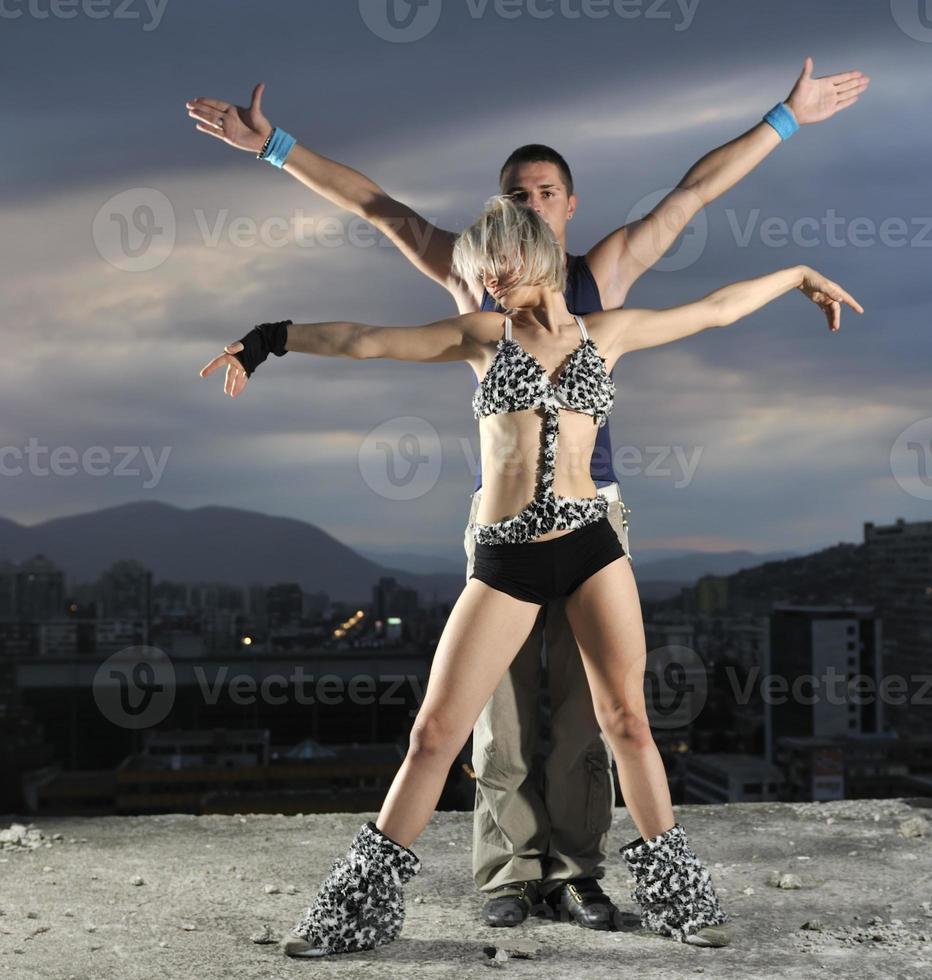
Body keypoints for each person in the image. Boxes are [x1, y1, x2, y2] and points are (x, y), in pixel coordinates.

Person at [184, 59, 869, 929]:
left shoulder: (607, 288)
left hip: (593, 525)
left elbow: (700, 236)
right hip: (503, 534)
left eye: (543, 193)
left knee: (607, 718)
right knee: (478, 723)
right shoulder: (476, 301)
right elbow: (373, 252)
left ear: (565, 208)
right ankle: (502, 874)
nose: (526, 209)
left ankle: (599, 877)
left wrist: (789, 137)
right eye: (513, 196)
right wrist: (272, 215)